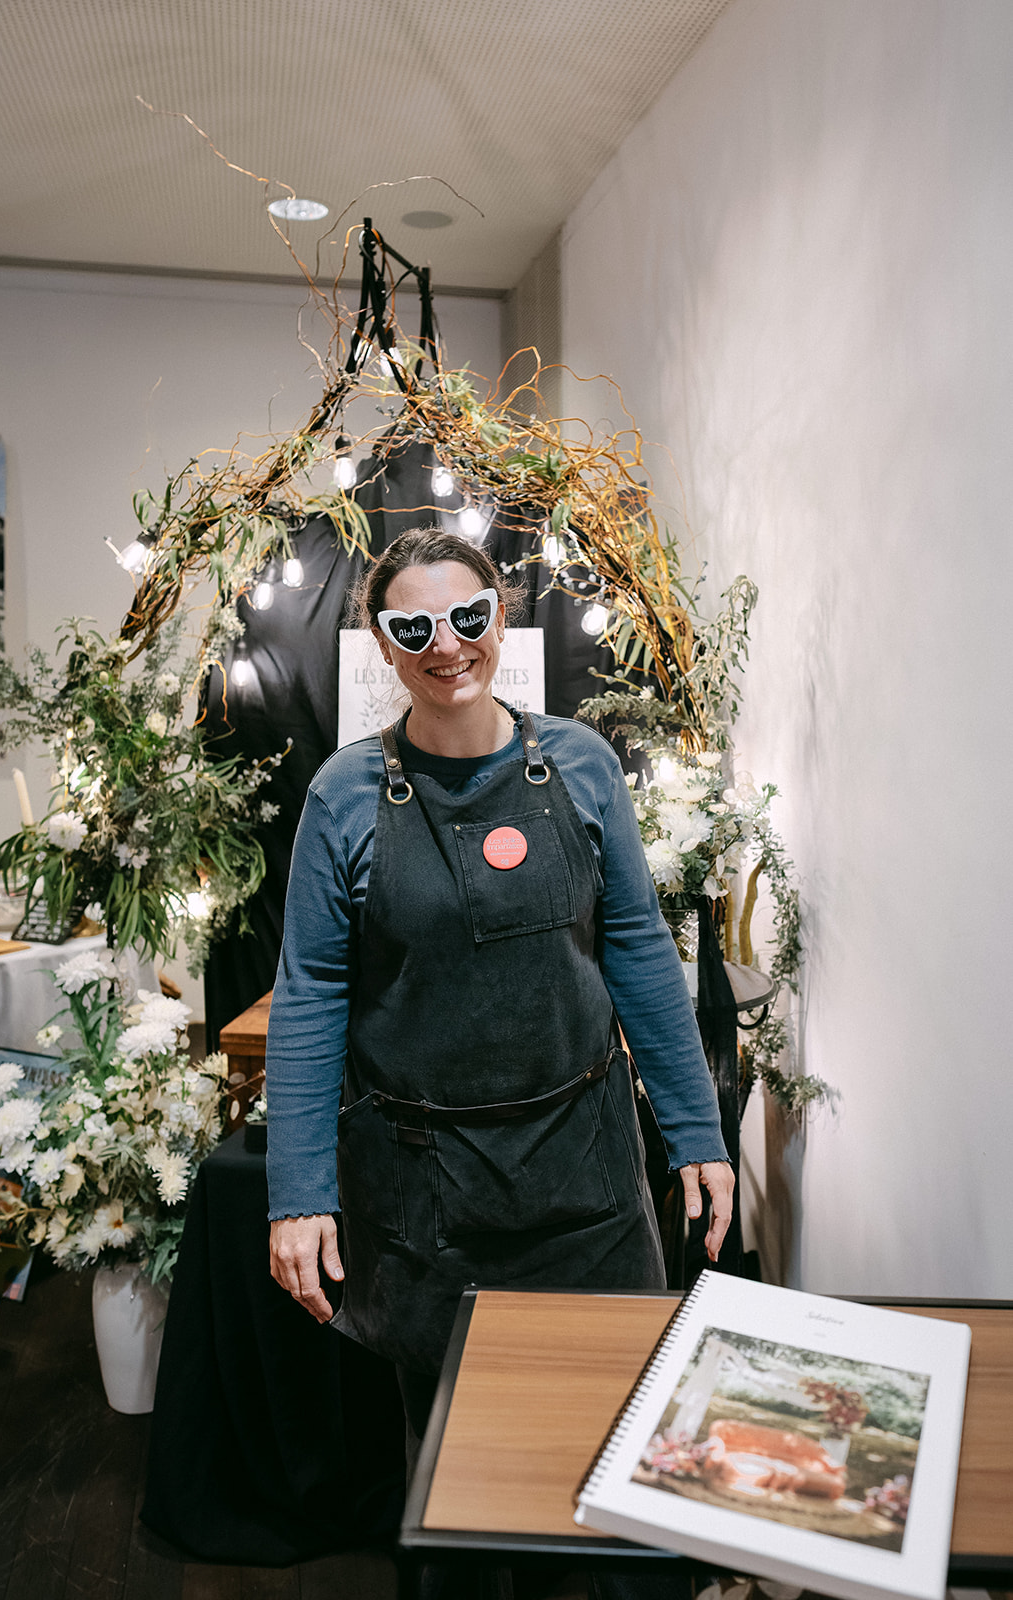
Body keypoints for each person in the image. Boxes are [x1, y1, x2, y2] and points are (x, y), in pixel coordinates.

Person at [265, 528, 733, 1588]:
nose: (446, 645)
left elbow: (637, 951)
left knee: (619, 1466)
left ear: (499, 622)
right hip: (428, 1199)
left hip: (586, 1172)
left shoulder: (578, 763)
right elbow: (308, 999)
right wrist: (296, 1193)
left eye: (467, 618)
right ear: (383, 646)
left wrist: (693, 1126)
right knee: (463, 1491)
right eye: (413, 626)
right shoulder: (343, 794)